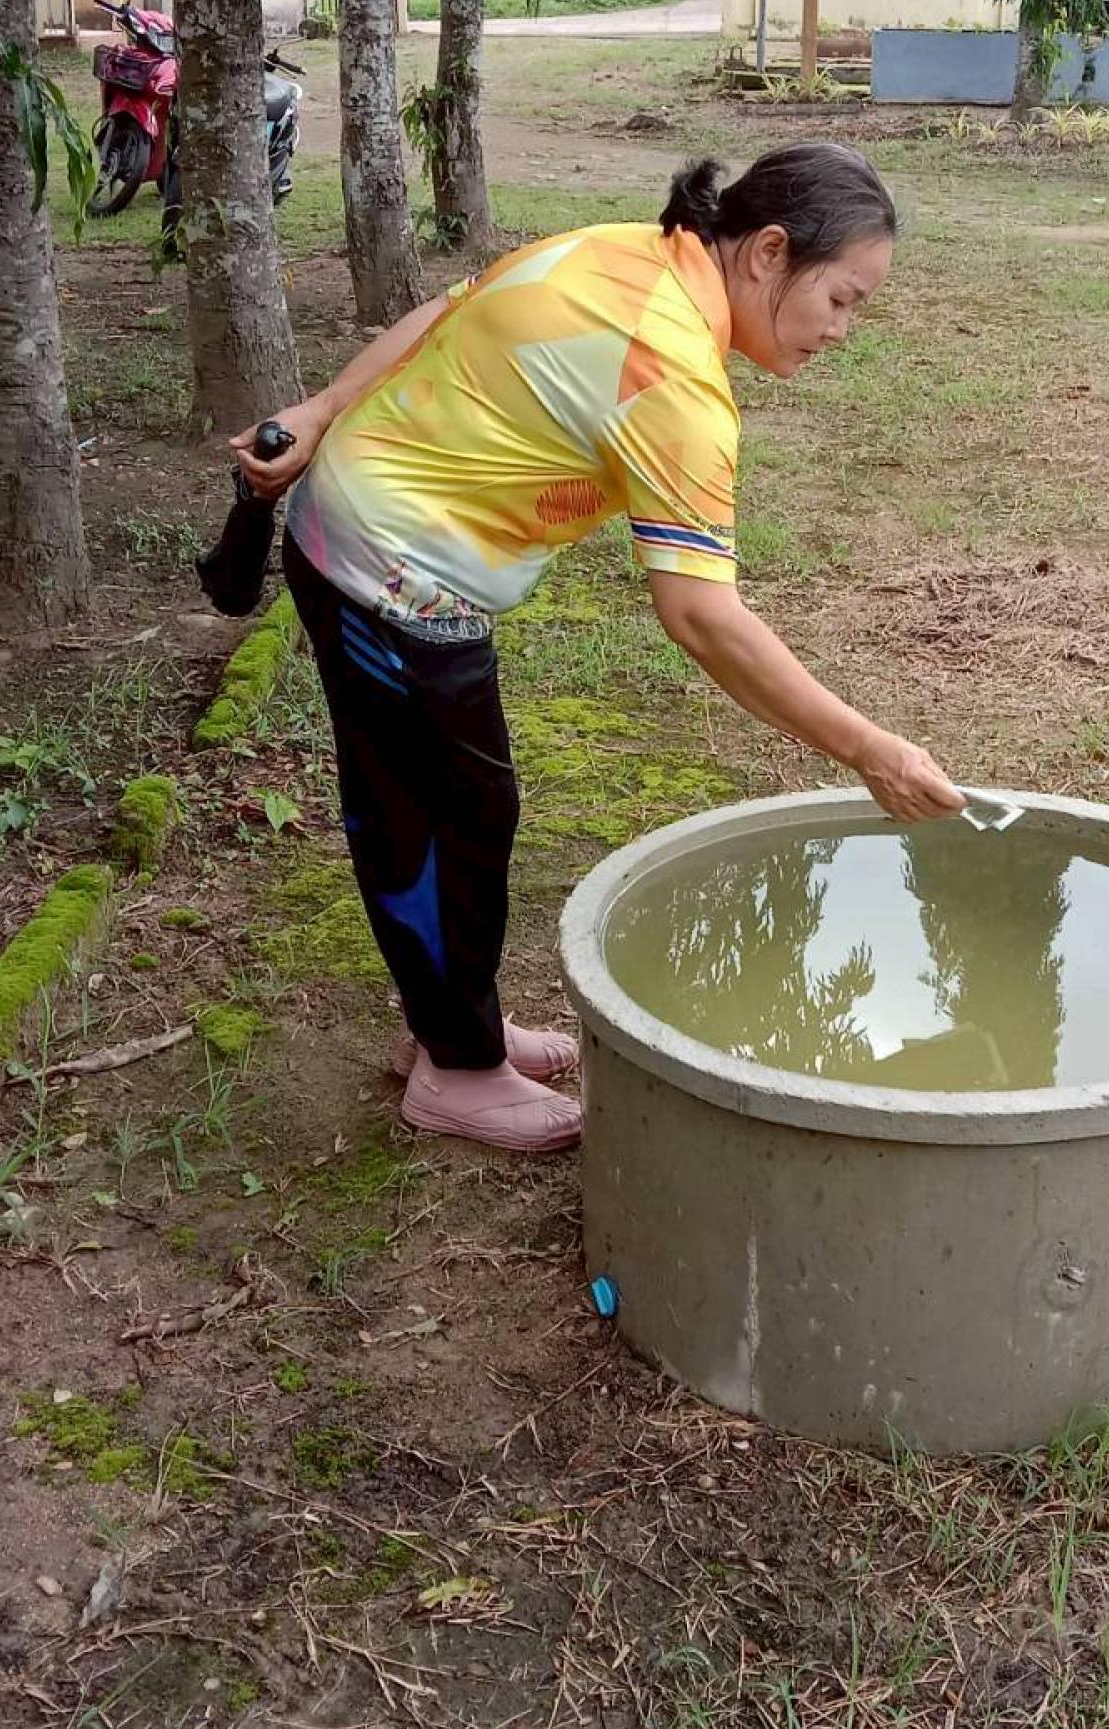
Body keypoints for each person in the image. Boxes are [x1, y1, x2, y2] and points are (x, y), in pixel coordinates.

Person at [234, 143, 963, 1153]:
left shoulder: (624, 250)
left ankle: (454, 1028)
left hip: (364, 534)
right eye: (841, 298)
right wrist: (871, 750)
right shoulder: (674, 382)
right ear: (767, 251)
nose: (842, 329)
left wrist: (321, 411)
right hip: (388, 576)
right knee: (444, 819)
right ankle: (456, 1071)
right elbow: (702, 616)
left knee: (448, 806)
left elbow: (445, 314)